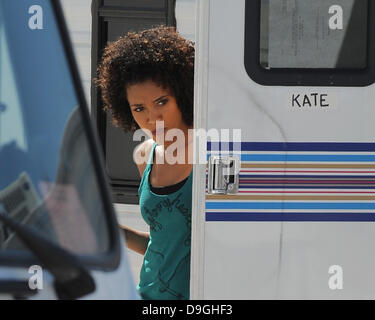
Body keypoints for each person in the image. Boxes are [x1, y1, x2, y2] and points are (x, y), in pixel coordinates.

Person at [96, 26, 194, 300]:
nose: (152, 118)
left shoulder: (211, 151)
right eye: (139, 108)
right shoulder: (144, 156)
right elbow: (164, 244)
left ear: (182, 93)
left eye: (161, 102)